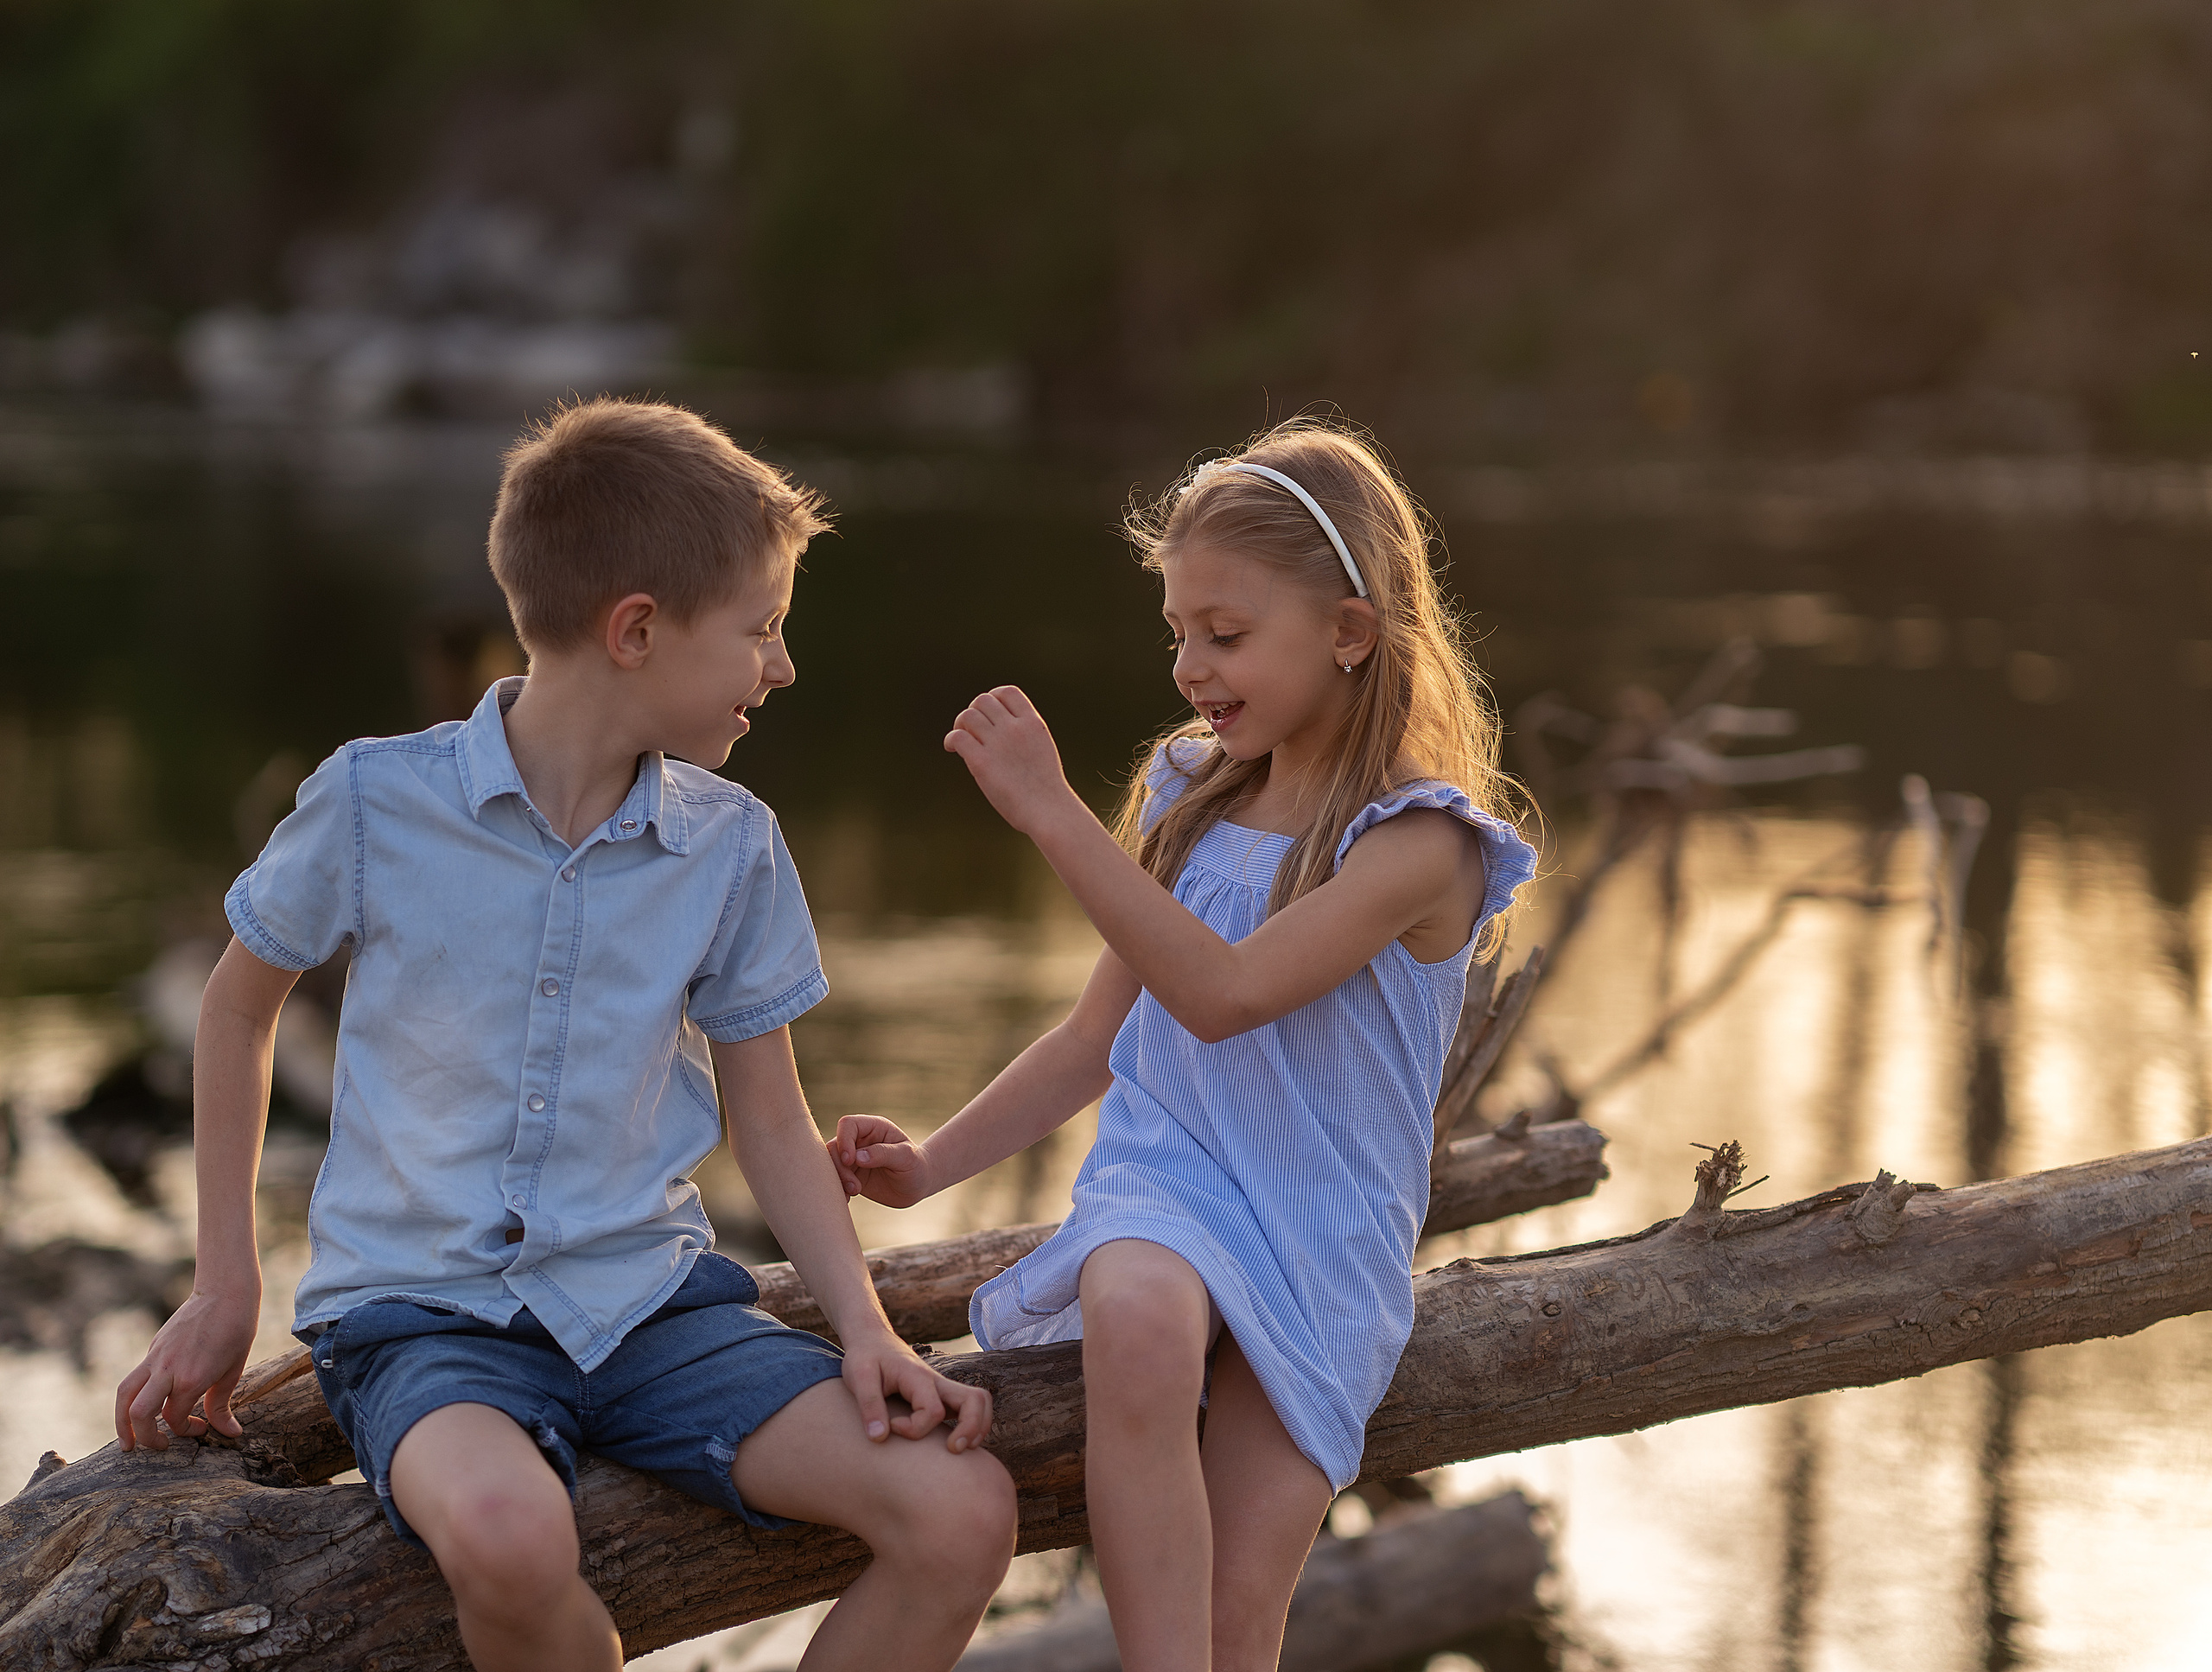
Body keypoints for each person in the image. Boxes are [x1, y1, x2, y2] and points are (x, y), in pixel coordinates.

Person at [113, 399, 1016, 1672]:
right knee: (506, 1535)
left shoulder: (733, 845)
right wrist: (224, 1283)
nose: (783, 666)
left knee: (960, 1508)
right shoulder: (376, 800)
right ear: (637, 630)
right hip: (426, 1322)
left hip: (650, 1313)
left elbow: (768, 1116)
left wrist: (866, 1332)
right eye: (762, 630)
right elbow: (234, 1005)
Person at [830, 419, 1537, 1672]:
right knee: (1143, 1317)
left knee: (1237, 1618)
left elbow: (1221, 994)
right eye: (1177, 634)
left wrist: (1050, 812)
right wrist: (931, 1165)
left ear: (1350, 632)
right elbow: (1102, 1033)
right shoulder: (1188, 791)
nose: (1191, 667)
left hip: (1323, 1226)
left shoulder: (1418, 845)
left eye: (1226, 634)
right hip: (1170, 1182)